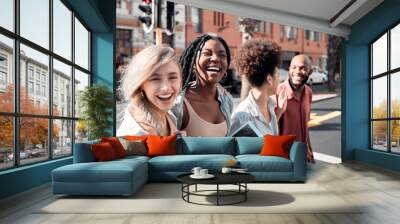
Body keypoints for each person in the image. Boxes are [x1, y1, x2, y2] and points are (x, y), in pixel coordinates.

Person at [172, 34, 234, 137]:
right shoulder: (179, 104)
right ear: (193, 63)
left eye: (222, 55)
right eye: (207, 53)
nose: (215, 58)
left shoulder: (227, 101)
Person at [117, 45, 182, 136]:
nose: (166, 88)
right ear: (140, 84)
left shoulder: (169, 116)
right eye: (155, 79)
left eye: (172, 77)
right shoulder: (135, 133)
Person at [230, 39, 287, 136]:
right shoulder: (242, 116)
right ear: (270, 79)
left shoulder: (270, 105)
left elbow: (268, 133)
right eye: (278, 76)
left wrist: (279, 112)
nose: (280, 80)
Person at [276, 54, 315, 163]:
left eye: (303, 68)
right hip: (285, 158)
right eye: (294, 67)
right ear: (289, 69)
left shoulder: (309, 92)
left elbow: (305, 126)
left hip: (303, 156)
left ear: (310, 71)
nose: (297, 71)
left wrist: (310, 153)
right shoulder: (278, 91)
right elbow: (270, 127)